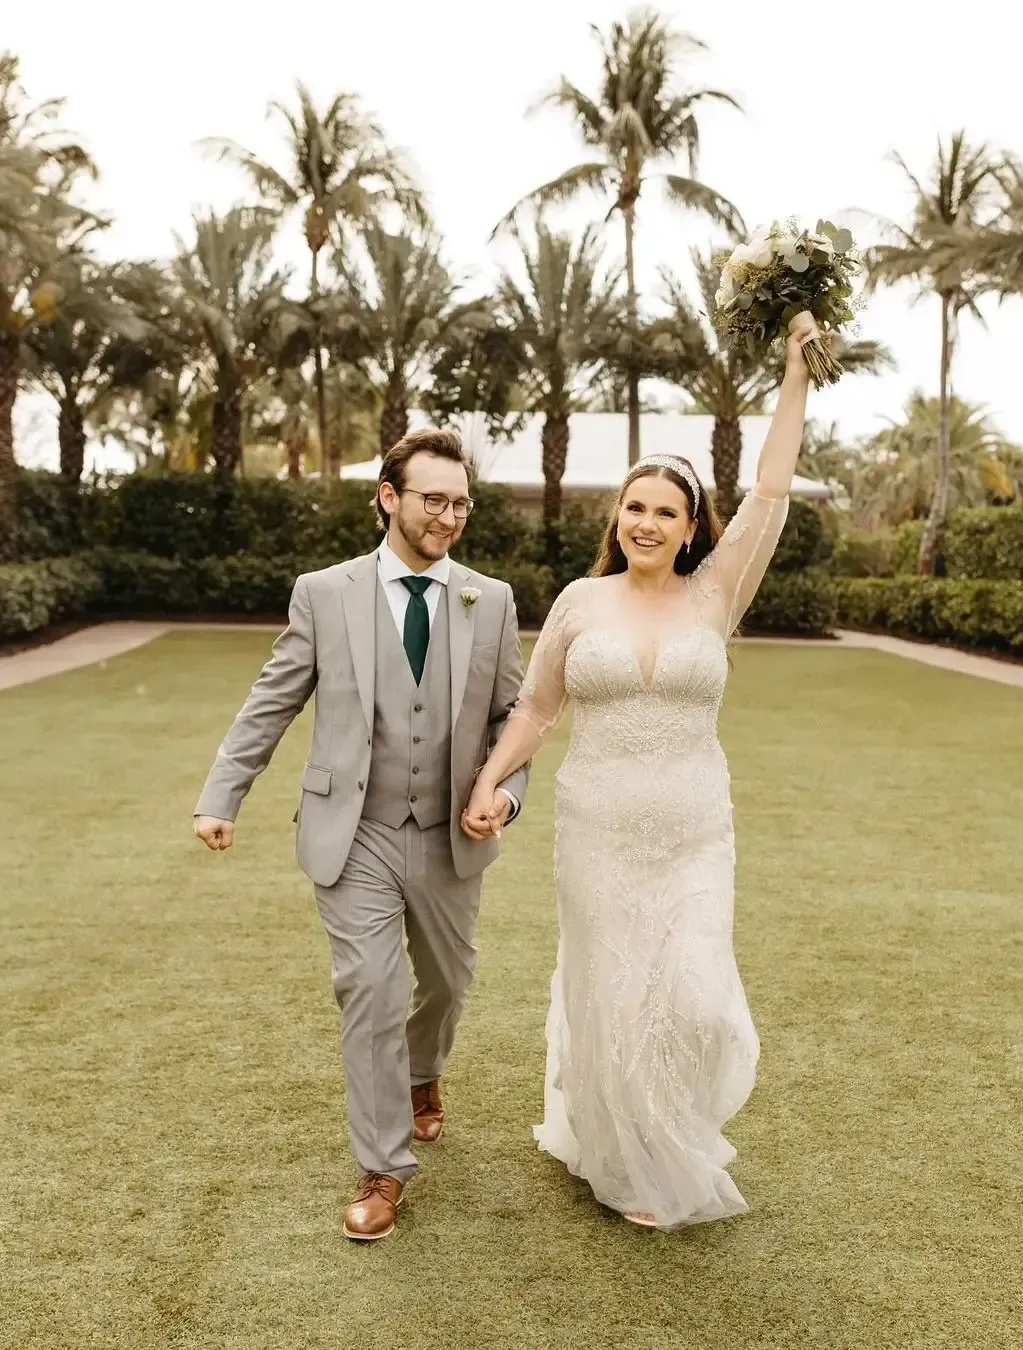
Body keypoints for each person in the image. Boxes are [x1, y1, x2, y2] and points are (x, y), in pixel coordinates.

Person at [466, 316, 816, 1229]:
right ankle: (633, 1167)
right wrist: (491, 781)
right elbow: (537, 708)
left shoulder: (717, 593)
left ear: (692, 527)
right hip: (598, 829)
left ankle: (670, 1131)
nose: (646, 523)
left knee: (693, 999)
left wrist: (793, 373)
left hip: (695, 831)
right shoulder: (581, 601)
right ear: (615, 518)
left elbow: (771, 490)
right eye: (634, 508)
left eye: (666, 511)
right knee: (616, 995)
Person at [193, 427, 528, 1242]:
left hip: (450, 833)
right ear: (388, 497)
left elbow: (513, 719)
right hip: (354, 831)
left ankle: (423, 1072)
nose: (449, 516)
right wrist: (222, 794)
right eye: (433, 500)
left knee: (447, 982)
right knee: (371, 988)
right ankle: (383, 1166)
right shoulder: (323, 593)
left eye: (461, 503)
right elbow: (273, 698)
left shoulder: (491, 600)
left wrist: (504, 796)